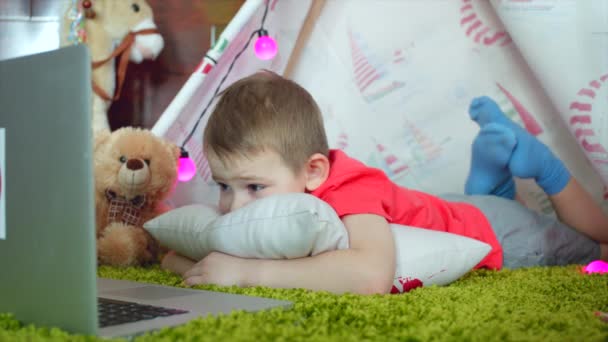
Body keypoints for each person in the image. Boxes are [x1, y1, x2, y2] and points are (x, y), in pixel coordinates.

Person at [161, 71, 608, 295]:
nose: (234, 207)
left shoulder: (348, 190)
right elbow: (177, 259)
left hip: (496, 233)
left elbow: (370, 275)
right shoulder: (279, 194)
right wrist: (202, 269)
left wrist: (245, 273)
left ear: (314, 172)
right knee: (468, 202)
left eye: (254, 188)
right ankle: (493, 166)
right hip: (442, 205)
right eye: (223, 186)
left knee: (596, 245)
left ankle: (542, 165)